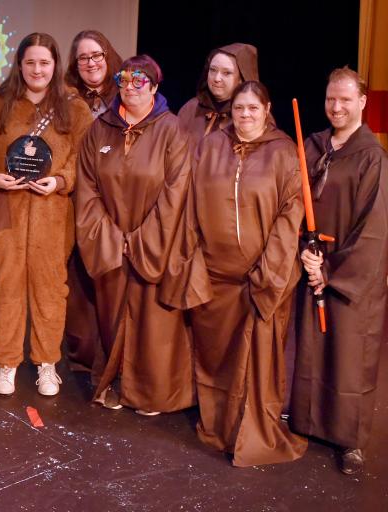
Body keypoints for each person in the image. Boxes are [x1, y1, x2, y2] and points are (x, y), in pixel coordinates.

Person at [170, 80, 308, 466]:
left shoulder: (283, 153)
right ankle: (220, 428)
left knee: (257, 361)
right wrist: (195, 258)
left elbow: (290, 213)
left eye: (252, 108)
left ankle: (254, 432)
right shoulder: (212, 145)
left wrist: (268, 274)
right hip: (216, 278)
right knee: (217, 358)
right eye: (238, 108)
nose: (244, 115)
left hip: (262, 280)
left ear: (267, 109)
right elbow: (192, 203)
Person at [0, 32, 93, 396]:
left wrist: (60, 181)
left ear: (55, 65)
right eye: (30, 62)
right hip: (6, 208)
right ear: (19, 64)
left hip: (52, 213)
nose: (37, 69)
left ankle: (46, 363)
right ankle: (7, 362)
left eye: (44, 62)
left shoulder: (74, 107)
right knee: (4, 288)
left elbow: (82, 160)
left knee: (50, 290)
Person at [75, 55, 192, 413]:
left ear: (155, 87)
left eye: (139, 81)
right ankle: (114, 382)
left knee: (152, 323)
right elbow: (87, 188)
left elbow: (177, 190)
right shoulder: (100, 129)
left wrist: (141, 240)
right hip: (109, 242)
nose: (129, 87)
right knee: (111, 318)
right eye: (124, 80)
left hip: (154, 242)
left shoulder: (171, 129)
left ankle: (148, 393)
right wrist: (112, 239)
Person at [290, 66, 388, 475]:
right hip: (309, 259)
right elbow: (293, 202)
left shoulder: (372, 157)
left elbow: (375, 231)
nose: (337, 107)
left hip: (349, 272)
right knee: (311, 346)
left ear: (362, 102)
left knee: (349, 352)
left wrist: (329, 270)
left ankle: (349, 440)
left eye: (346, 99)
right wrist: (304, 252)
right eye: (332, 99)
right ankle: (307, 421)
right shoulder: (312, 147)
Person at [61, 29, 123, 377]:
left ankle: (114, 358)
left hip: (114, 202)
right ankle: (83, 357)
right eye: (83, 57)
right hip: (74, 200)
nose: (90, 63)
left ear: (108, 56)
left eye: (97, 55)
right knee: (78, 284)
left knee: (111, 283)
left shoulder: (127, 93)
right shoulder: (65, 99)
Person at [178, 43, 259, 149]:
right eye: (213, 70)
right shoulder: (190, 109)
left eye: (226, 73)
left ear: (241, 79)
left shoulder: (254, 116)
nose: (217, 78)